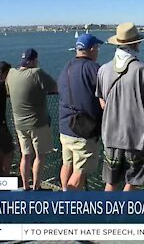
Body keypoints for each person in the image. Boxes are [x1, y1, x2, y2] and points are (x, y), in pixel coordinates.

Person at [96, 22, 144, 191]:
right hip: (134, 137)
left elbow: (102, 102)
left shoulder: (103, 70)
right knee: (132, 181)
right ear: (135, 43)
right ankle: (122, 215)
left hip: (110, 135)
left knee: (111, 182)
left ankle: (107, 215)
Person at [58, 34, 103, 190]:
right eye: (97, 48)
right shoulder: (94, 69)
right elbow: (105, 96)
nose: (98, 51)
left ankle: (64, 191)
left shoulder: (67, 67)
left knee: (67, 164)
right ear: (91, 49)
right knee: (80, 172)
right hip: (84, 130)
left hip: (65, 127)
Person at [6, 49, 57, 190]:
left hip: (19, 123)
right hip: (37, 123)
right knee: (40, 156)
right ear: (34, 60)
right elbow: (54, 86)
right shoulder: (36, 73)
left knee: (25, 155)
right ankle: (36, 186)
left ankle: (26, 186)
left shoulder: (11, 73)